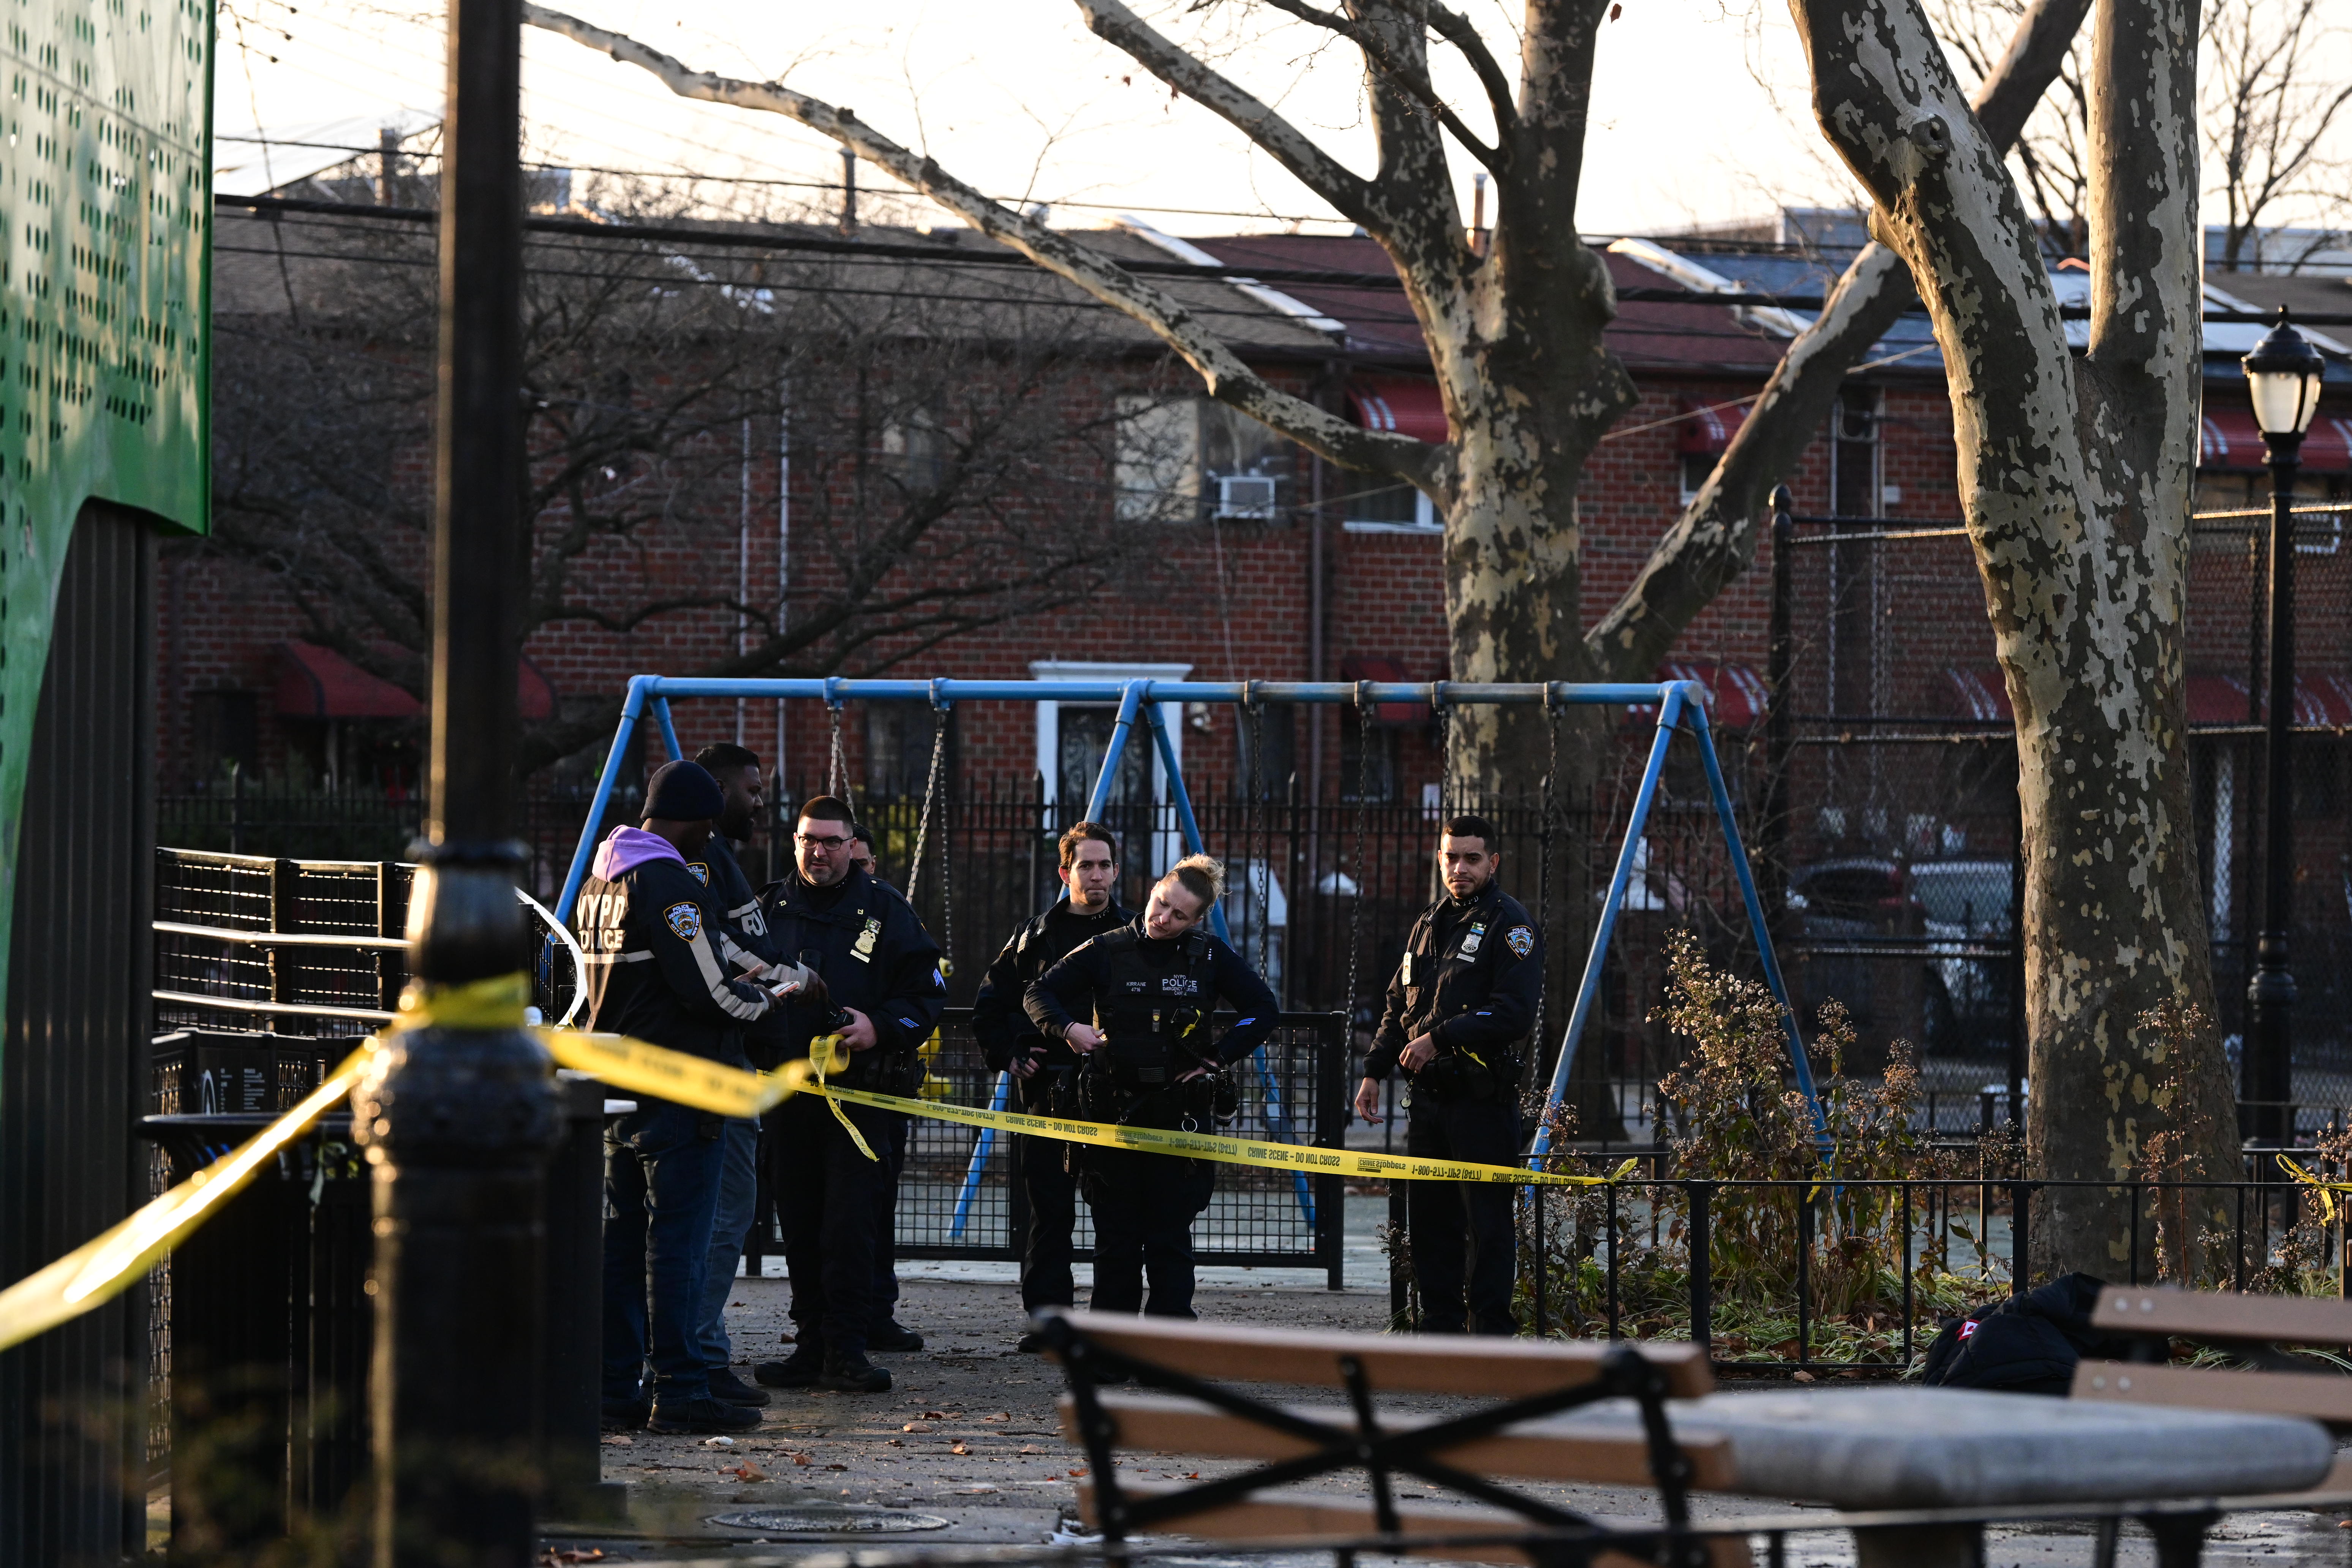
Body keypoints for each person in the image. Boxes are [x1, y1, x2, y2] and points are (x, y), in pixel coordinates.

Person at [576, 759, 809, 1433]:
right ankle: (679, 1387)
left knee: (619, 1245)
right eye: (708, 825)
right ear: (695, 819)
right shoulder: (668, 883)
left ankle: (614, 1386)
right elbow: (709, 988)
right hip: (678, 1087)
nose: (713, 838)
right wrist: (771, 999)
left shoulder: (602, 878)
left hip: (615, 1086)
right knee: (676, 1243)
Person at [1025, 855, 1277, 1320]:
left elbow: (1263, 1009)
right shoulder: (1106, 948)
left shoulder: (1209, 954)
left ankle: (1167, 1346)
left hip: (1178, 1117)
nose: (1164, 919)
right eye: (1161, 904)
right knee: (1115, 1242)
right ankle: (1112, 1347)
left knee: (1170, 1240)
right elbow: (1038, 993)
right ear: (1153, 889)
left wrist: (1218, 1058)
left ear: (1198, 920)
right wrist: (1067, 1029)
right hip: (1112, 1116)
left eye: (1179, 915)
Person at [751, 794, 945, 1393]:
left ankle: (847, 1350)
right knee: (801, 1225)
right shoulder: (766, 910)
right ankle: (810, 1346)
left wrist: (876, 1028)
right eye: (810, 839)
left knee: (850, 1228)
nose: (819, 851)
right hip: (789, 1099)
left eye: (832, 841)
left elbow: (926, 999)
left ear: (851, 845)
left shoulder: (886, 911)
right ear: (795, 841)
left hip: (860, 1102)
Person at [1353, 814, 1543, 1336]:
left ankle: (1489, 1334)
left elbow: (1514, 1013)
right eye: (1451, 857)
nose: (1460, 868)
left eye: (1472, 858)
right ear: (1440, 859)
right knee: (1433, 1223)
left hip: (1482, 1102)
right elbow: (1399, 1005)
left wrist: (1441, 1037)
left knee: (1487, 1225)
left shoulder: (1513, 926)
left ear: (1493, 863)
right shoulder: (1428, 923)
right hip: (1429, 1101)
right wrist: (1373, 1071)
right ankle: (1437, 1331)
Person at [972, 822, 1130, 1347]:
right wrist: (1010, 1053)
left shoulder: (1135, 935)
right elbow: (991, 1006)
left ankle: (1109, 1329)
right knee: (1049, 1217)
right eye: (1086, 865)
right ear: (1065, 873)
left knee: (1116, 1222)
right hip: (1048, 1097)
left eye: (1105, 864)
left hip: (1118, 1102)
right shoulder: (1033, 938)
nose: (1098, 874)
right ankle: (1050, 1325)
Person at [680, 742, 786, 1408]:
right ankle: (695, 1355)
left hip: (726, 1057)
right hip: (712, 1064)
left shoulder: (715, 859)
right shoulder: (692, 867)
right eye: (751, 788)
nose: (761, 800)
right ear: (716, 790)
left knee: (722, 1212)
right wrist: (787, 983)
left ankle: (701, 1349)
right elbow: (718, 955)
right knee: (719, 1213)